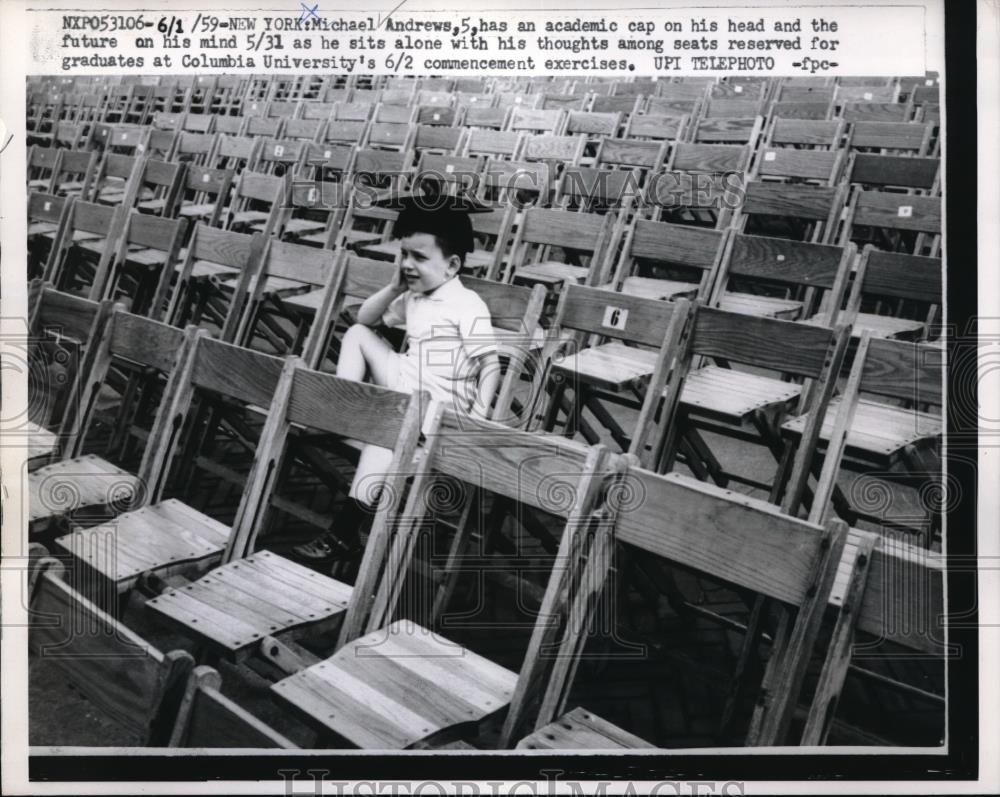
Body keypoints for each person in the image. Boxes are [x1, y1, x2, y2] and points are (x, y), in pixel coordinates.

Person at [292, 192, 501, 566]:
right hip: (405, 385)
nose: (407, 264)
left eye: (419, 257)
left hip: (435, 409)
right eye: (403, 254)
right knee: (357, 336)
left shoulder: (467, 305)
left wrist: (478, 418)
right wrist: (394, 287)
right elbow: (364, 319)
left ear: (451, 266)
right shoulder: (416, 296)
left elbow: (490, 364)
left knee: (382, 440)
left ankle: (344, 531)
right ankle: (346, 413)